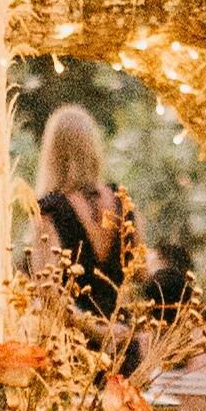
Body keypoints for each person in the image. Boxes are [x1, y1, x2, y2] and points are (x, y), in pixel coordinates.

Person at [33, 103, 147, 311]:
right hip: (123, 333)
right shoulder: (122, 201)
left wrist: (97, 331)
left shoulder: (50, 212)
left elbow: (49, 293)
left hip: (72, 339)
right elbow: (143, 274)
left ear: (52, 153)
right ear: (93, 146)